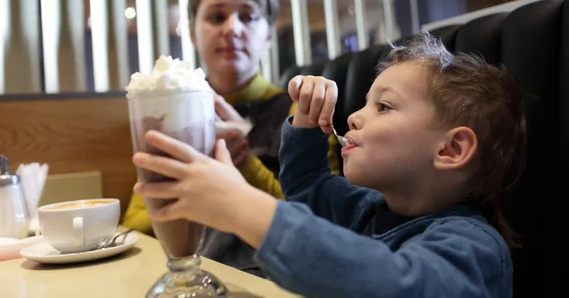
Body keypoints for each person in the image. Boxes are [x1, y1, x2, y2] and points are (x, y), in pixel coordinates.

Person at [131, 32, 525, 297]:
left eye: (383, 107)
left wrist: (242, 207)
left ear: (451, 150)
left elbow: (398, 283)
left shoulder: (472, 246)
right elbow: (309, 188)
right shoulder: (367, 208)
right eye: (365, 103)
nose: (354, 116)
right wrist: (305, 119)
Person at [122, 0, 341, 275]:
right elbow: (135, 221)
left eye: (248, 17)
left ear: (268, 34)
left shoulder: (301, 110)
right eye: (216, 17)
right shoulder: (169, 114)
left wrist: (243, 159)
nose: (232, 29)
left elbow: (325, 221)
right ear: (193, 32)